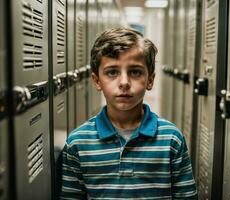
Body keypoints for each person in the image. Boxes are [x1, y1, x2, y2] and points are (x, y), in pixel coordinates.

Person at [60, 27, 198, 199]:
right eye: (112, 72)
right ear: (96, 81)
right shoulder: (78, 143)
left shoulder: (171, 139)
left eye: (135, 72)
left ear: (150, 80)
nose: (124, 82)